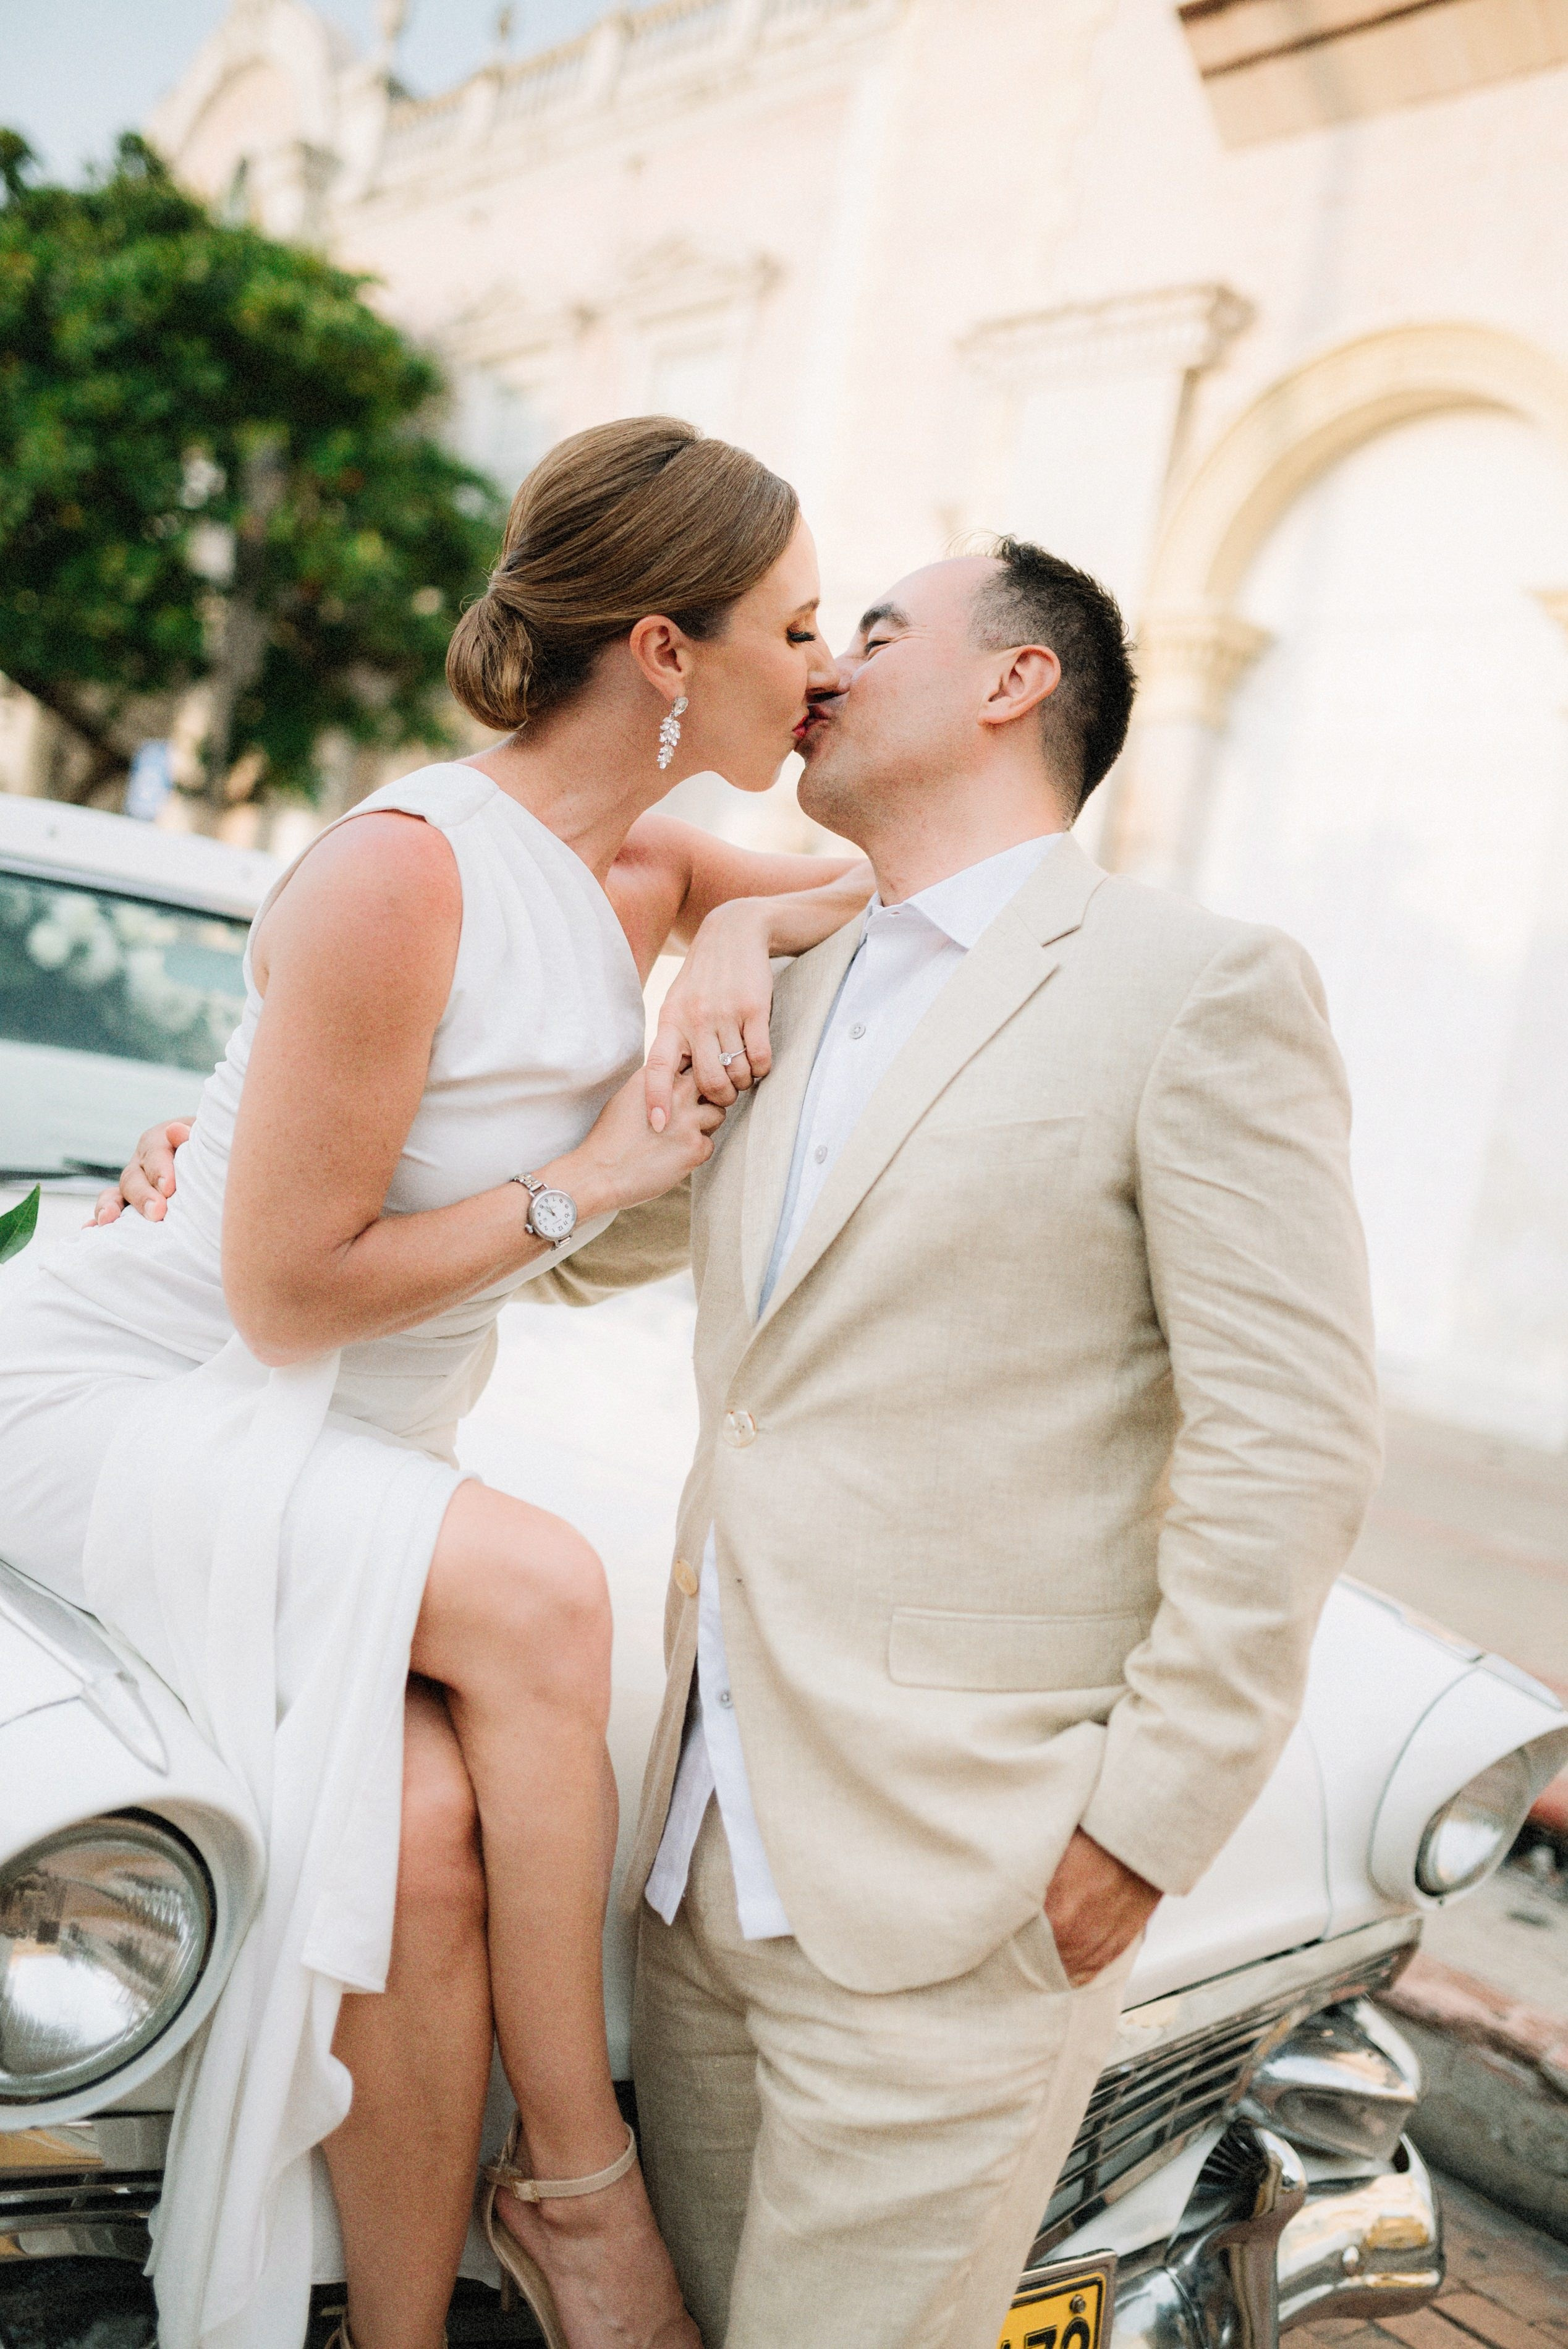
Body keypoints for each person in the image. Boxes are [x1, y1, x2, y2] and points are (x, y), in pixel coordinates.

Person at [113, 537, 1383, 2349]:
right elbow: (545, 1233)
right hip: (699, 1880)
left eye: (871, 631)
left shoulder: (1197, 987)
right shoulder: (782, 985)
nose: (825, 668)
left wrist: (1148, 1817)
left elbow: (1293, 1435)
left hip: (967, 1879)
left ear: (1015, 683)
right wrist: (232, 1168)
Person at [0, 415, 876, 2349]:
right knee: (554, 1592)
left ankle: (401, 2327)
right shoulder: (398, 874)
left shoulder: (649, 864)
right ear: (664, 648)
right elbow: (292, 1296)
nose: (823, 669)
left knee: (413, 1846)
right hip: (150, 1400)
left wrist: (736, 920)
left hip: (347, 1438)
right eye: (797, 625)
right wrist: (600, 1175)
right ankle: (583, 2192)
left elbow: (879, 894)